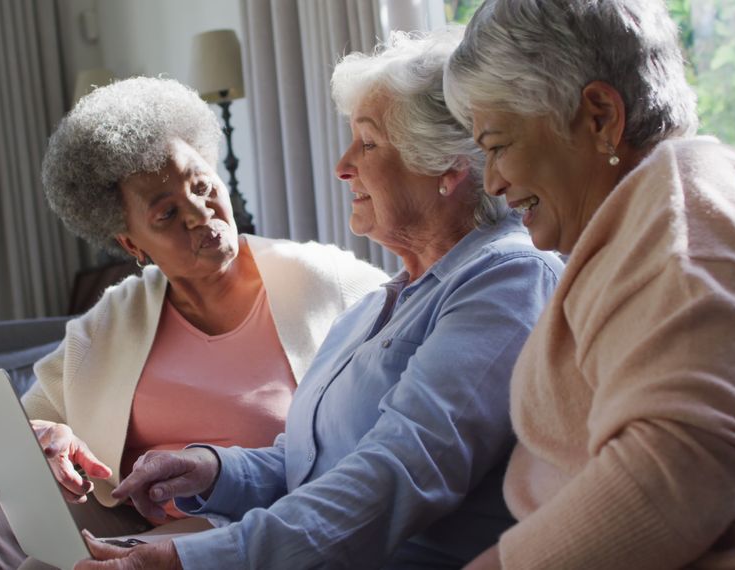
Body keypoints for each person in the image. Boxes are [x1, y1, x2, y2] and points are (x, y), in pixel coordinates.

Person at [76, 29, 563, 570]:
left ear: (446, 166)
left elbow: (399, 473)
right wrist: (211, 470)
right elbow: (308, 461)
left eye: (368, 142)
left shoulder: (507, 279)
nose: (343, 165)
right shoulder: (381, 304)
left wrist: (187, 561)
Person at [0, 77, 389, 569]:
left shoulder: (326, 282)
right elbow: (11, 442)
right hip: (128, 516)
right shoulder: (111, 324)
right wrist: (48, 442)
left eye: (203, 186)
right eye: (166, 214)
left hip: (246, 517)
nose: (199, 212)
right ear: (132, 245)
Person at [442, 1, 735, 568]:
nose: (495, 181)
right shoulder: (637, 227)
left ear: (600, 115)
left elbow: (682, 468)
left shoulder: (682, 199)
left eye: (499, 145)